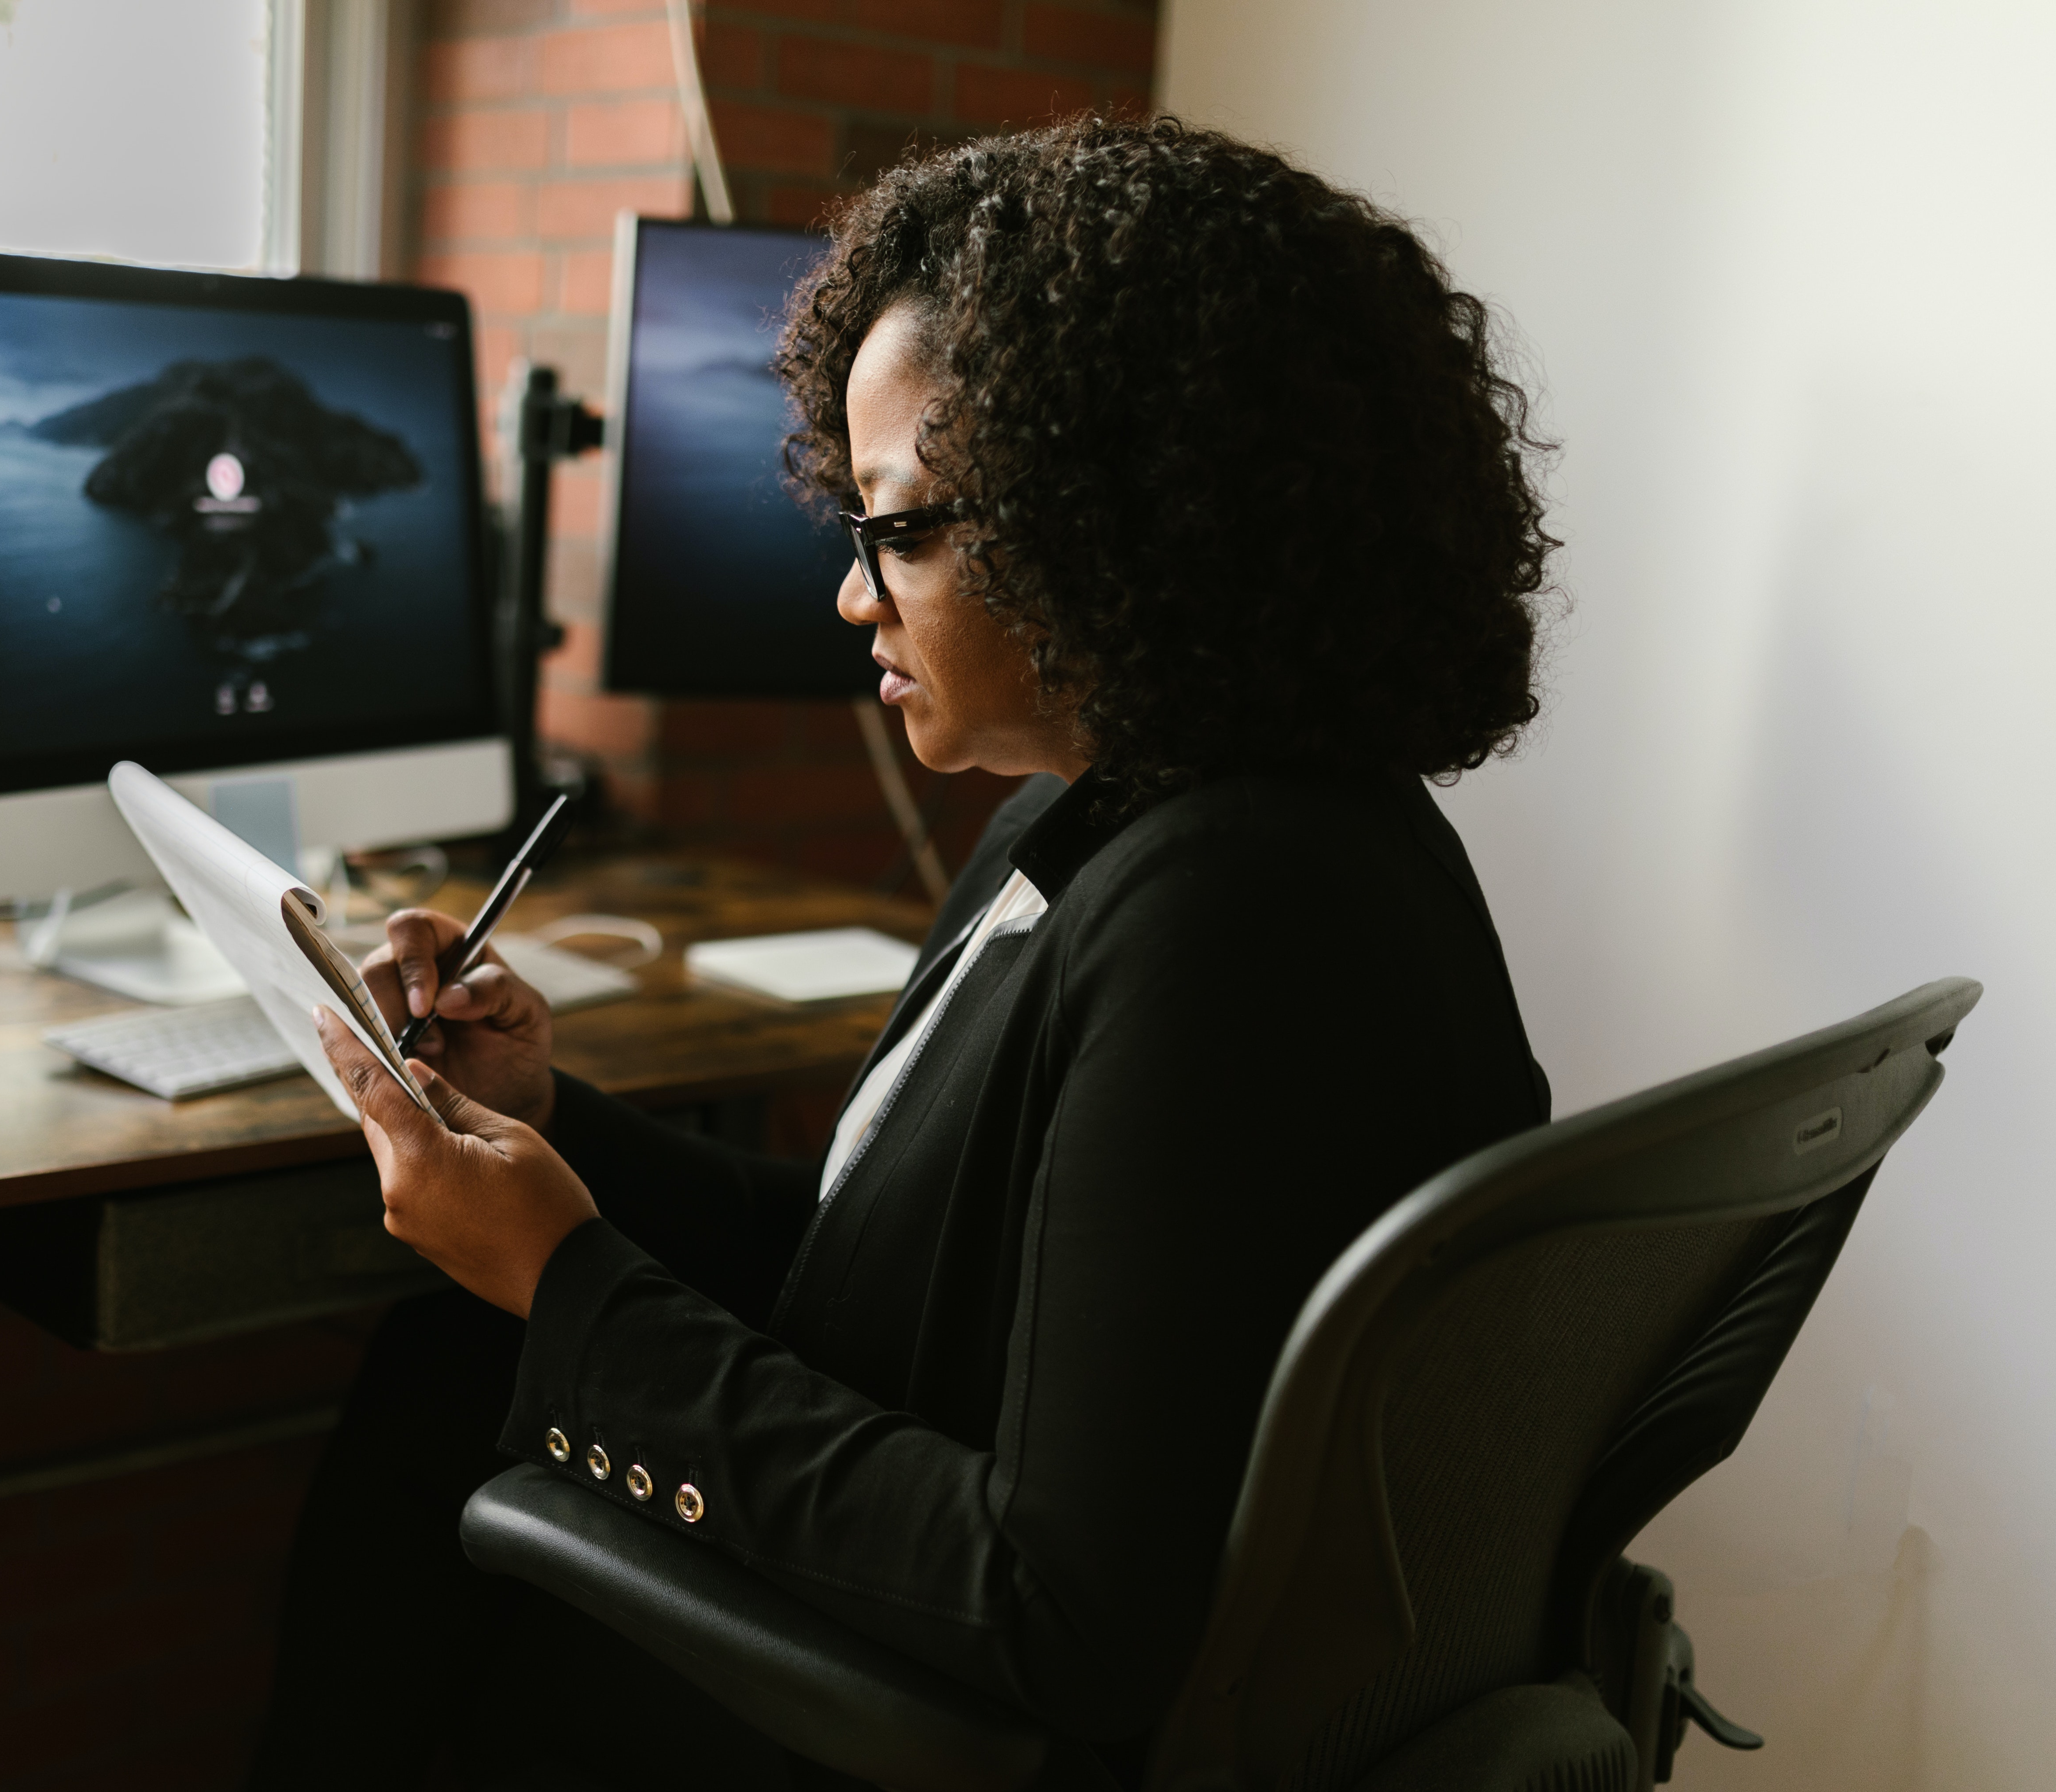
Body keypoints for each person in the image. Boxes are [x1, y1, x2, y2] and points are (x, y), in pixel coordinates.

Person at [250, 114, 1556, 1789]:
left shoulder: (1246, 921)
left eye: (904, 529)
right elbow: (875, 1264)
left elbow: (1063, 1611)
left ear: (1126, 514)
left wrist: (565, 1283)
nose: (855, 599)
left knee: (445, 1392)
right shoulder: (1110, 817)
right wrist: (552, 1124)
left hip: (933, 1726)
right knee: (445, 1353)